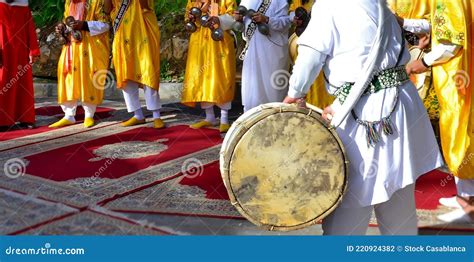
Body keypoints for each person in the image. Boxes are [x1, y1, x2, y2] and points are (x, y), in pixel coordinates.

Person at [283, 0, 443, 235]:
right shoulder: (378, 3)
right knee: (398, 195)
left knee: (349, 197)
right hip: (400, 104)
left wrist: (294, 95)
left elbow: (310, 56)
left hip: (367, 113)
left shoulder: (330, 6)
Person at [390, 0, 474, 223]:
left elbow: (451, 42)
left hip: (457, 76)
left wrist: (424, 62)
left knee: (459, 131)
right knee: (460, 130)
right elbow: (440, 25)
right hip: (459, 74)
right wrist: (405, 22)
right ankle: (464, 195)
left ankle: (469, 202)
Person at [49, 0, 111, 128]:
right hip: (71, 47)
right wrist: (62, 28)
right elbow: (68, 22)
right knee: (67, 76)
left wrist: (84, 25)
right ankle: (69, 115)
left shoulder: (97, 2)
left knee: (88, 78)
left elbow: (106, 25)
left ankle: (89, 115)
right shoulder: (69, 3)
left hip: (90, 48)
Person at [104, 0, 164, 129]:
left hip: (142, 33)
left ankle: (156, 116)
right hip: (122, 34)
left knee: (147, 71)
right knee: (126, 74)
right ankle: (138, 115)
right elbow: (107, 10)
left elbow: (146, 5)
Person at [182, 0, 236, 133]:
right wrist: (192, 16)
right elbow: (187, 16)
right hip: (200, 42)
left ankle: (224, 119)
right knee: (203, 78)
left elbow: (233, 17)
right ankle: (209, 117)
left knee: (221, 77)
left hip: (219, 41)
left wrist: (218, 18)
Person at [236, 0, 291, 112]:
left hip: (272, 52)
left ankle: (275, 120)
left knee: (272, 88)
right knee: (252, 88)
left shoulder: (279, 1)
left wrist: (266, 19)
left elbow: (287, 22)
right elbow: (242, 26)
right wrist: (238, 19)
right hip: (252, 51)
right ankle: (252, 120)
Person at [0, 0, 40, 129]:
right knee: (3, 82)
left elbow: (29, 28)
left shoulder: (23, 5)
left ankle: (26, 118)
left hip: (21, 51)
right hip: (2, 50)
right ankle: (3, 120)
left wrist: (33, 50)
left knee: (23, 84)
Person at [288, 0, 334, 109]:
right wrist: (297, 19)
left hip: (327, 48)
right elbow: (292, 12)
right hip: (305, 48)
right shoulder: (300, 1)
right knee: (306, 76)